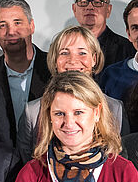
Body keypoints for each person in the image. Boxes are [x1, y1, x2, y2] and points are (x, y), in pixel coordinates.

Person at [16, 26, 128, 162]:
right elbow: (25, 163)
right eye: (64, 53)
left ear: (94, 59)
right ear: (55, 60)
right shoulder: (33, 112)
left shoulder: (115, 109)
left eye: (82, 53)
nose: (73, 60)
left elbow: (120, 162)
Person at [0, 0, 52, 148]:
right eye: (2, 25)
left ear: (31, 26)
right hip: (1, 166)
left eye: (17, 23)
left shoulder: (55, 68)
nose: (11, 31)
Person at [71, 0, 134, 68]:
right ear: (74, 9)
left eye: (97, 2)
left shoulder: (127, 50)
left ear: (108, 10)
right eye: (83, 2)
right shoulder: (62, 47)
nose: (90, 7)